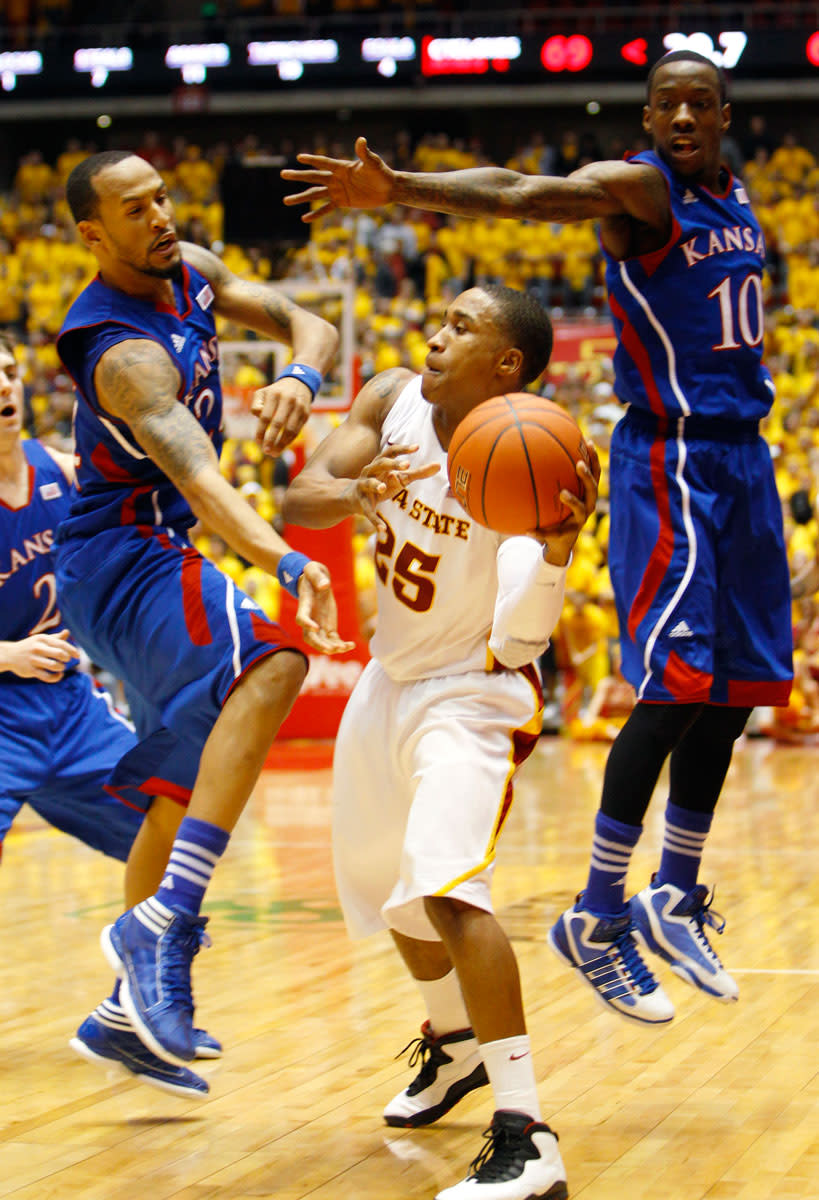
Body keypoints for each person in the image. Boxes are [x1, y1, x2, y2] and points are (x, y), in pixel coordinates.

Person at [282, 49, 794, 1024]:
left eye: (699, 103)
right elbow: (519, 193)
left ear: (725, 114)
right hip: (676, 454)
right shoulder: (642, 191)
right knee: (681, 682)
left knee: (745, 682)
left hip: (745, 454)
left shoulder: (736, 201)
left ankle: (673, 888)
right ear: (647, 119)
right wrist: (403, 189)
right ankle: (600, 907)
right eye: (666, 105)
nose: (682, 117)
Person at [283, 283, 598, 1200]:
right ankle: (453, 1047)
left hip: (474, 689)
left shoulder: (537, 448)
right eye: (442, 315)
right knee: (390, 898)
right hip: (389, 678)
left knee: (451, 892)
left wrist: (552, 552)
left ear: (507, 362)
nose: (434, 332)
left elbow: (519, 641)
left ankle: (526, 1132)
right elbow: (300, 494)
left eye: (461, 326)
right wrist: (350, 490)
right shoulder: (389, 397)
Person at [54, 150, 352, 1075]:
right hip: (124, 554)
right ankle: (161, 925)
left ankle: (120, 1014)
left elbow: (311, 322)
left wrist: (299, 378)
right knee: (273, 663)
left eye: (161, 198)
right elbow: (200, 476)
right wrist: (285, 558)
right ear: (92, 235)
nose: (160, 216)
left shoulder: (194, 273)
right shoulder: (122, 353)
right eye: (134, 210)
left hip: (143, 553)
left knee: (179, 790)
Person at [0, 330, 219, 1098]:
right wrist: (5, 655)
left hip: (70, 711)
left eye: (6, 372)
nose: (2, 387)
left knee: (170, 852)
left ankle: (129, 1021)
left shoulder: (57, 470)